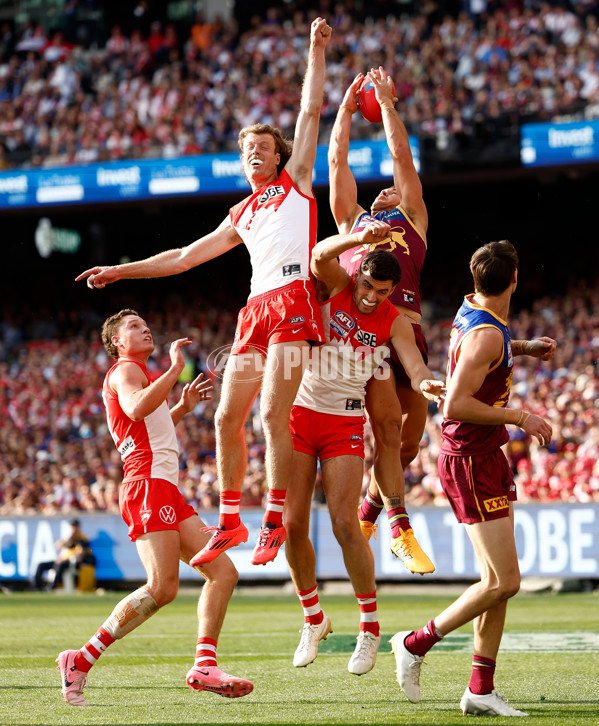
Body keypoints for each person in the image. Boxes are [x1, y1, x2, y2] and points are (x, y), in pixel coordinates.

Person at [75, 18, 332, 568]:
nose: (255, 155)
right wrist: (122, 271)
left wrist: (315, 51)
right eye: (249, 151)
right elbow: (184, 257)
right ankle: (232, 521)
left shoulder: (298, 183)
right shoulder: (241, 211)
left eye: (264, 148)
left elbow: (310, 112)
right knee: (224, 418)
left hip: (293, 300)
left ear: (279, 156)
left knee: (270, 415)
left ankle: (272, 521)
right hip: (255, 308)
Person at [390, 240, 556, 717]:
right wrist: (521, 417)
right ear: (516, 280)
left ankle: (480, 690)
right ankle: (415, 643)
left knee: (498, 581)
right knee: (505, 581)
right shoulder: (486, 333)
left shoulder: (475, 308)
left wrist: (523, 349)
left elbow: (486, 350)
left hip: (483, 455)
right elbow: (455, 404)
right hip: (469, 458)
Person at [56, 309, 253, 706]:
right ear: (117, 343)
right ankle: (80, 659)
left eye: (145, 323)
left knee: (223, 572)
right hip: (147, 486)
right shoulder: (125, 371)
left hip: (163, 489)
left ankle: (204, 665)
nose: (144, 327)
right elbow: (135, 410)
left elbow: (149, 425)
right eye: (133, 326)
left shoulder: (137, 376)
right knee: (162, 587)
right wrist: (175, 369)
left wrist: (180, 407)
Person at [285, 222, 445, 676]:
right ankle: (313, 619)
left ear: (395, 290)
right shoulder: (338, 283)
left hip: (343, 422)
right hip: (300, 413)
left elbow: (411, 360)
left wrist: (422, 380)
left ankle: (370, 629)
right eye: (369, 286)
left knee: (344, 524)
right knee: (292, 524)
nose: (373, 296)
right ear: (359, 278)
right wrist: (359, 239)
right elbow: (318, 255)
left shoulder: (393, 318)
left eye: (384, 290)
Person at [328, 67, 432, 561]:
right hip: (368, 340)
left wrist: (387, 105)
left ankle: (370, 516)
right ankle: (398, 528)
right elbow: (335, 162)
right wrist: (346, 111)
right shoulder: (351, 223)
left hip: (409, 334)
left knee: (407, 445)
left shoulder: (412, 218)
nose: (387, 194)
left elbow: (402, 158)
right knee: (387, 431)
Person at [34, 518, 95, 591]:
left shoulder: (82, 538)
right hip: (62, 559)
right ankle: (37, 587)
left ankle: (52, 587)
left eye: (75, 526)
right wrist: (68, 539)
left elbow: (82, 553)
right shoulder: (70, 537)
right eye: (72, 526)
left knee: (60, 565)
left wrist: (64, 558)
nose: (73, 528)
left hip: (72, 562)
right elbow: (58, 546)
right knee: (41, 565)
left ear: (78, 527)